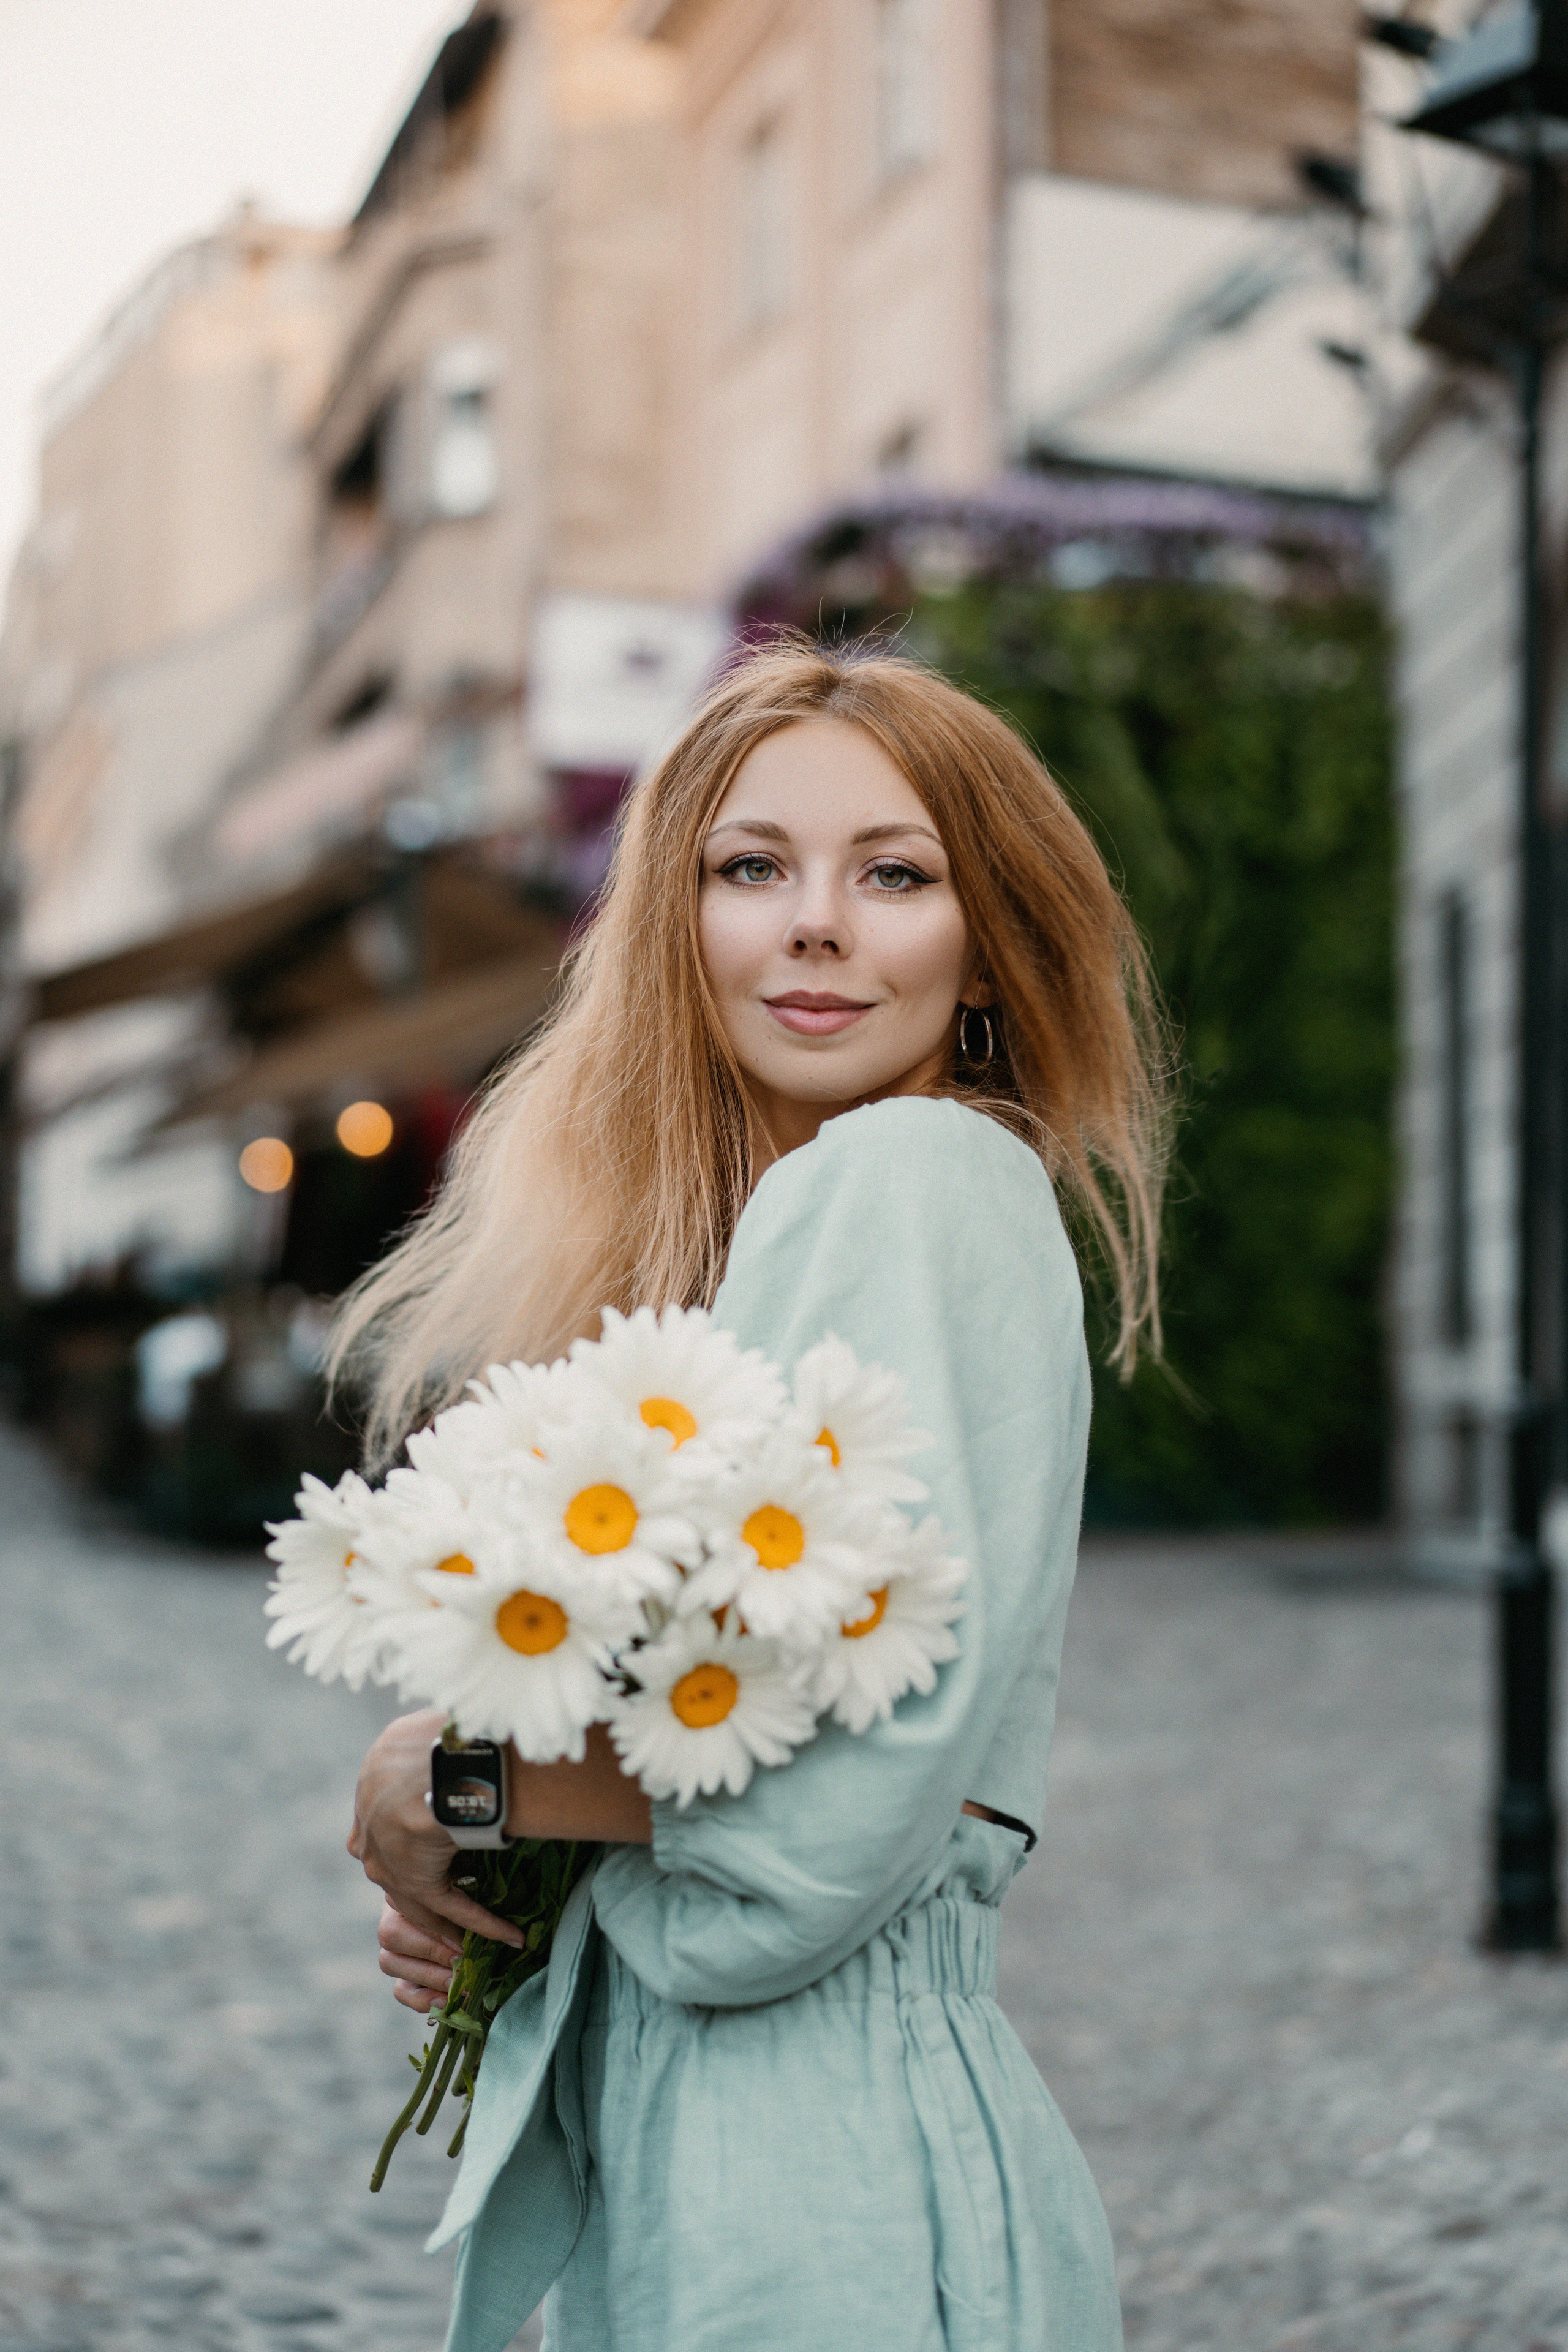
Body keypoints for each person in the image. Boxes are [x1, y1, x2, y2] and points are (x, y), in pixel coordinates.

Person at [342, 639, 1169, 2352]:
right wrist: (504, 1874)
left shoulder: (913, 1174)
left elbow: (813, 1830)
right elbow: (750, 1736)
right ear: (679, 927)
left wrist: (459, 1783)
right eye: (750, 867)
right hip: (755, 2162)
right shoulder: (803, 1243)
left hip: (812, 2173)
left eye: (896, 873)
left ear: (985, 942)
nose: (816, 922)